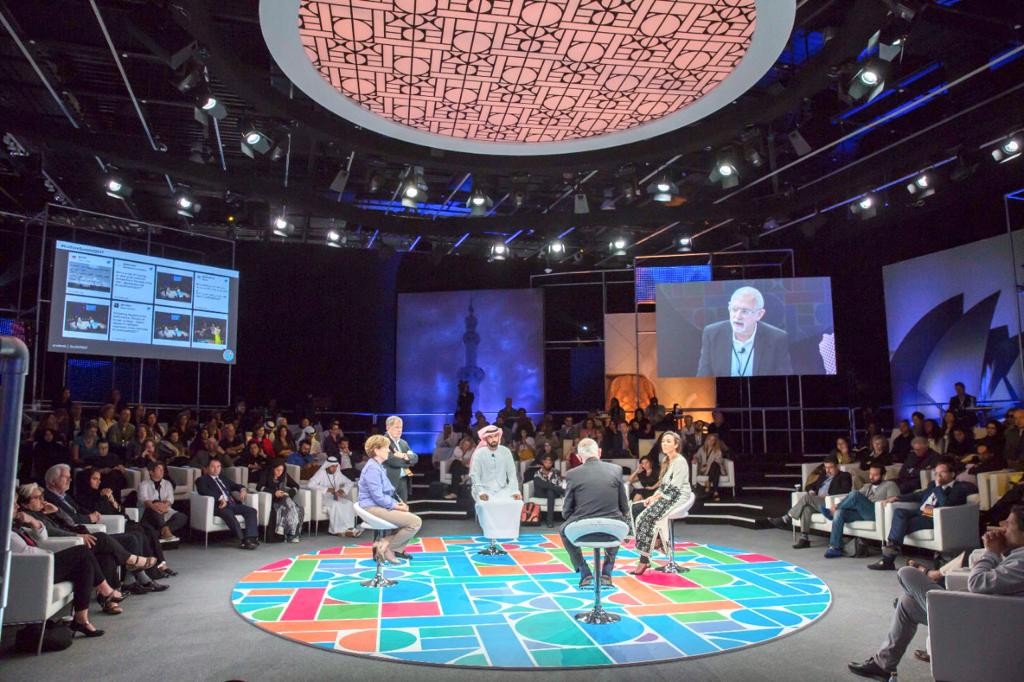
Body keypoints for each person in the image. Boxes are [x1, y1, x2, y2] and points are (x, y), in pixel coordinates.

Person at [848, 505, 1024, 680]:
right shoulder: (1018, 555)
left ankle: (931, 605)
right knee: (907, 603)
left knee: (906, 573)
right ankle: (882, 665)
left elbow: (977, 583)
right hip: (983, 612)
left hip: (980, 623)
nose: (1003, 526)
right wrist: (1001, 551)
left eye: (1009, 524)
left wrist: (990, 553)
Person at [12, 502, 125, 635]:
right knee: (83, 552)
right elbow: (27, 553)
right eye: (13, 505)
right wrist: (49, 554)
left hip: (41, 563)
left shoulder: (15, 526)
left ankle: (81, 619)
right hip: (33, 570)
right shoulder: (6, 533)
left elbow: (42, 537)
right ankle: (107, 591)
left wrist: (33, 521)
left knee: (85, 564)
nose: (17, 507)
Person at [868, 460, 976, 570]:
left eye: (942, 472)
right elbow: (919, 495)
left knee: (900, 525)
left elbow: (946, 504)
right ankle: (889, 557)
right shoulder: (932, 484)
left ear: (952, 474)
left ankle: (887, 560)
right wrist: (897, 498)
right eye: (936, 473)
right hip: (921, 512)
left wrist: (938, 487)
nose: (938, 476)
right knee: (899, 512)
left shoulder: (959, 488)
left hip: (934, 518)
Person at [560, 437, 630, 588]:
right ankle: (606, 573)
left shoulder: (572, 474)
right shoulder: (616, 470)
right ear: (599, 452)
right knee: (617, 520)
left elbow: (566, 511)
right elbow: (624, 506)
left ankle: (584, 572)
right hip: (612, 529)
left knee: (563, 530)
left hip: (583, 529)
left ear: (579, 457)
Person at [631, 431, 692, 575]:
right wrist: (653, 496)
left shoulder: (680, 461)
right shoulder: (667, 460)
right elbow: (663, 485)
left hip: (677, 496)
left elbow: (675, 487)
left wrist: (657, 498)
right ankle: (657, 540)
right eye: (663, 441)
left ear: (676, 445)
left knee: (645, 517)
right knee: (635, 508)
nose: (664, 443)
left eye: (668, 441)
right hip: (666, 494)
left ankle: (644, 560)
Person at [697, 286, 793, 377]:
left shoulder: (777, 338)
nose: (737, 316)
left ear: (759, 314)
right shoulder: (712, 334)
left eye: (745, 311)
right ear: (729, 308)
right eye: (734, 309)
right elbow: (703, 378)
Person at [358, 434, 422, 563]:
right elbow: (378, 497)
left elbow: (388, 492)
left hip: (378, 505)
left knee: (410, 520)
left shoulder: (379, 466)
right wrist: (396, 506)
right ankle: (389, 548)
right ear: (376, 450)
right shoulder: (372, 468)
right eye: (386, 448)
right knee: (415, 522)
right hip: (372, 507)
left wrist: (400, 504)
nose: (389, 450)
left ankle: (385, 542)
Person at [769, 455, 853, 548]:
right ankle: (804, 538)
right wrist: (811, 490)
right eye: (826, 467)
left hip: (831, 503)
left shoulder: (845, 476)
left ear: (837, 466)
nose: (828, 470)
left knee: (807, 498)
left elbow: (845, 491)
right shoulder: (823, 476)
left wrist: (828, 495)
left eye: (830, 467)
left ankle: (786, 518)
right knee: (806, 508)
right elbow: (809, 486)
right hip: (818, 502)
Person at [823, 464, 899, 558]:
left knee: (855, 495)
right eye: (870, 474)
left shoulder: (890, 485)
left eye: (875, 475)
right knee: (840, 513)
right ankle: (835, 548)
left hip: (876, 513)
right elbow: (852, 497)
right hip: (862, 513)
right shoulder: (868, 486)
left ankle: (832, 512)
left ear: (883, 475)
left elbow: (894, 500)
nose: (871, 477)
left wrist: (888, 500)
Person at [470, 424, 523, 541]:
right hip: (484, 489)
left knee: (516, 503)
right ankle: (490, 532)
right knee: (485, 504)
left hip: (503, 488)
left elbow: (512, 474)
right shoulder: (479, 453)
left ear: (499, 437)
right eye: (490, 437)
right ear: (485, 439)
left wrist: (515, 491)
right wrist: (481, 492)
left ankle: (509, 532)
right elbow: (475, 475)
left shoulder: (506, 451)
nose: (494, 439)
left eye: (495, 436)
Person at [194, 459, 259, 550]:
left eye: (218, 466)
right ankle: (243, 540)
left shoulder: (223, 478)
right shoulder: (202, 480)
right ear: (207, 468)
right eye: (213, 467)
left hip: (232, 504)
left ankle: (250, 538)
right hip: (219, 506)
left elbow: (235, 485)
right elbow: (203, 491)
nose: (216, 469)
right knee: (228, 513)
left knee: (251, 511)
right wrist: (220, 498)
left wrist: (242, 489)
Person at [307, 455, 361, 537]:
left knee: (349, 503)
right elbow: (310, 484)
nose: (334, 468)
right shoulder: (321, 473)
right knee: (336, 504)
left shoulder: (338, 474)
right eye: (332, 466)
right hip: (322, 498)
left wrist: (343, 490)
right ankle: (337, 530)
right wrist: (327, 489)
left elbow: (350, 482)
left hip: (335, 497)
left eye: (336, 466)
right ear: (327, 466)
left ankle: (349, 528)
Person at [138, 461, 187, 542]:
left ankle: (162, 532)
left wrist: (164, 505)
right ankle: (165, 532)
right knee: (156, 509)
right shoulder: (143, 484)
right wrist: (155, 507)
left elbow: (170, 499)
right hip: (149, 511)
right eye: (159, 469)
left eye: (163, 469)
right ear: (151, 472)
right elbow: (144, 500)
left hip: (165, 509)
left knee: (182, 517)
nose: (162, 471)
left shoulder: (167, 484)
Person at [259, 459, 304, 542]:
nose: (280, 472)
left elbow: (296, 486)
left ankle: (293, 534)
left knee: (298, 508)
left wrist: (290, 493)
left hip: (283, 498)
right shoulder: (267, 474)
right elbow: (259, 487)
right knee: (289, 506)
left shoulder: (284, 475)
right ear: (273, 469)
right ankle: (291, 534)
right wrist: (274, 493)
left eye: (281, 470)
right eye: (277, 470)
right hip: (272, 499)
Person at [383, 416, 418, 502]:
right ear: (388, 427)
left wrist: (404, 456)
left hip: (403, 480)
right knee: (390, 508)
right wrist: (408, 459)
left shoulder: (403, 443)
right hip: (390, 480)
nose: (400, 430)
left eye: (401, 427)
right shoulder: (383, 442)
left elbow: (415, 458)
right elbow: (393, 461)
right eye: (397, 427)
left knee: (403, 506)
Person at [531, 452, 566, 527]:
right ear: (543, 462)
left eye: (550, 463)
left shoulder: (556, 472)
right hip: (541, 493)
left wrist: (557, 488)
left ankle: (549, 521)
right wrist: (559, 489)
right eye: (546, 462)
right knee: (550, 490)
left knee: (550, 492)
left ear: (552, 463)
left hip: (553, 493)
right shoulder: (538, 473)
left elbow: (559, 483)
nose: (548, 464)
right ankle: (549, 521)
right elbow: (542, 485)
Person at [693, 432, 728, 501]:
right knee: (715, 468)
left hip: (715, 468)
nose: (711, 441)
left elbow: (719, 460)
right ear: (707, 440)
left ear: (715, 441)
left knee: (715, 465)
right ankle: (715, 491)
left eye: (713, 440)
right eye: (710, 439)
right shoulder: (702, 449)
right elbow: (696, 456)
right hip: (705, 470)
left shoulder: (717, 450)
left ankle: (713, 488)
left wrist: (710, 464)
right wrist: (695, 459)